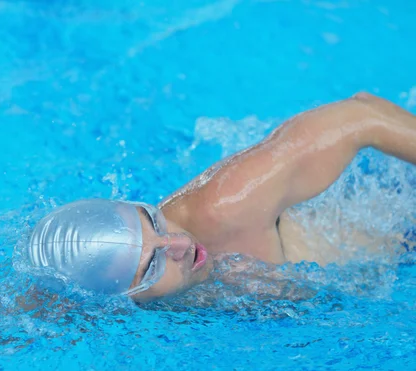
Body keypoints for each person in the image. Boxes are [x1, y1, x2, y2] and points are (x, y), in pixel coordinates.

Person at [28, 93, 416, 303]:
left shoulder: (226, 204)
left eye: (153, 221)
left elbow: (361, 115)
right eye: (151, 266)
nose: (180, 243)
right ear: (120, 300)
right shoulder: (93, 303)